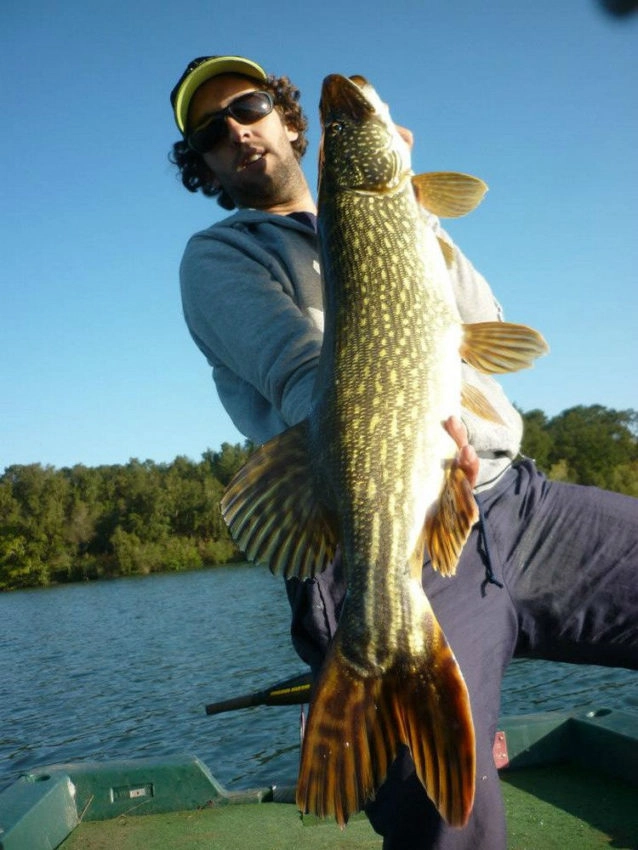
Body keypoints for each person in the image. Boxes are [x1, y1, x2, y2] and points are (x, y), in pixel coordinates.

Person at [169, 55, 638, 850]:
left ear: (289, 122)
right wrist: (413, 440)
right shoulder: (220, 258)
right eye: (213, 132)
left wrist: (416, 214)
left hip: (515, 502)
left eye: (247, 107)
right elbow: (298, 376)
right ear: (205, 165)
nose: (238, 132)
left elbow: (482, 330)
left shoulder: (405, 214)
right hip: (387, 537)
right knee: (442, 808)